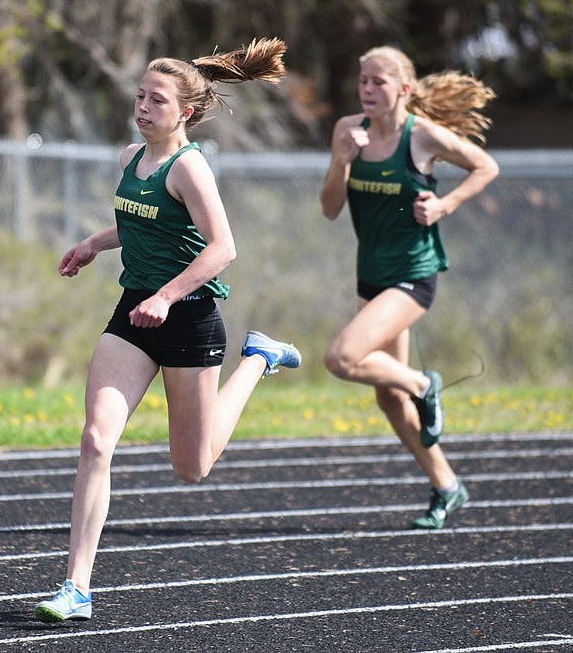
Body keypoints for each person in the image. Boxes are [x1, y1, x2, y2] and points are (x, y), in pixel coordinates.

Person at [34, 38, 301, 623]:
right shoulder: (133, 156)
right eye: (140, 95)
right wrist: (92, 244)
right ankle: (76, 586)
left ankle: (258, 358)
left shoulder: (191, 167)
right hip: (134, 315)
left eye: (158, 99)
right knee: (95, 440)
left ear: (185, 111)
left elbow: (223, 248)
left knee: (192, 466)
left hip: (188, 316)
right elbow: (137, 221)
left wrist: (167, 295)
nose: (144, 106)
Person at [320, 46, 499, 530]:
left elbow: (485, 166)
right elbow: (330, 208)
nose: (368, 90)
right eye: (363, 81)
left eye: (379, 81)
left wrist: (445, 205)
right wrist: (342, 160)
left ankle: (426, 384)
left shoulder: (422, 137)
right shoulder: (347, 132)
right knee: (387, 397)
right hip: (371, 275)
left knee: (341, 357)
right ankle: (447, 486)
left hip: (413, 274)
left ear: (404, 89)